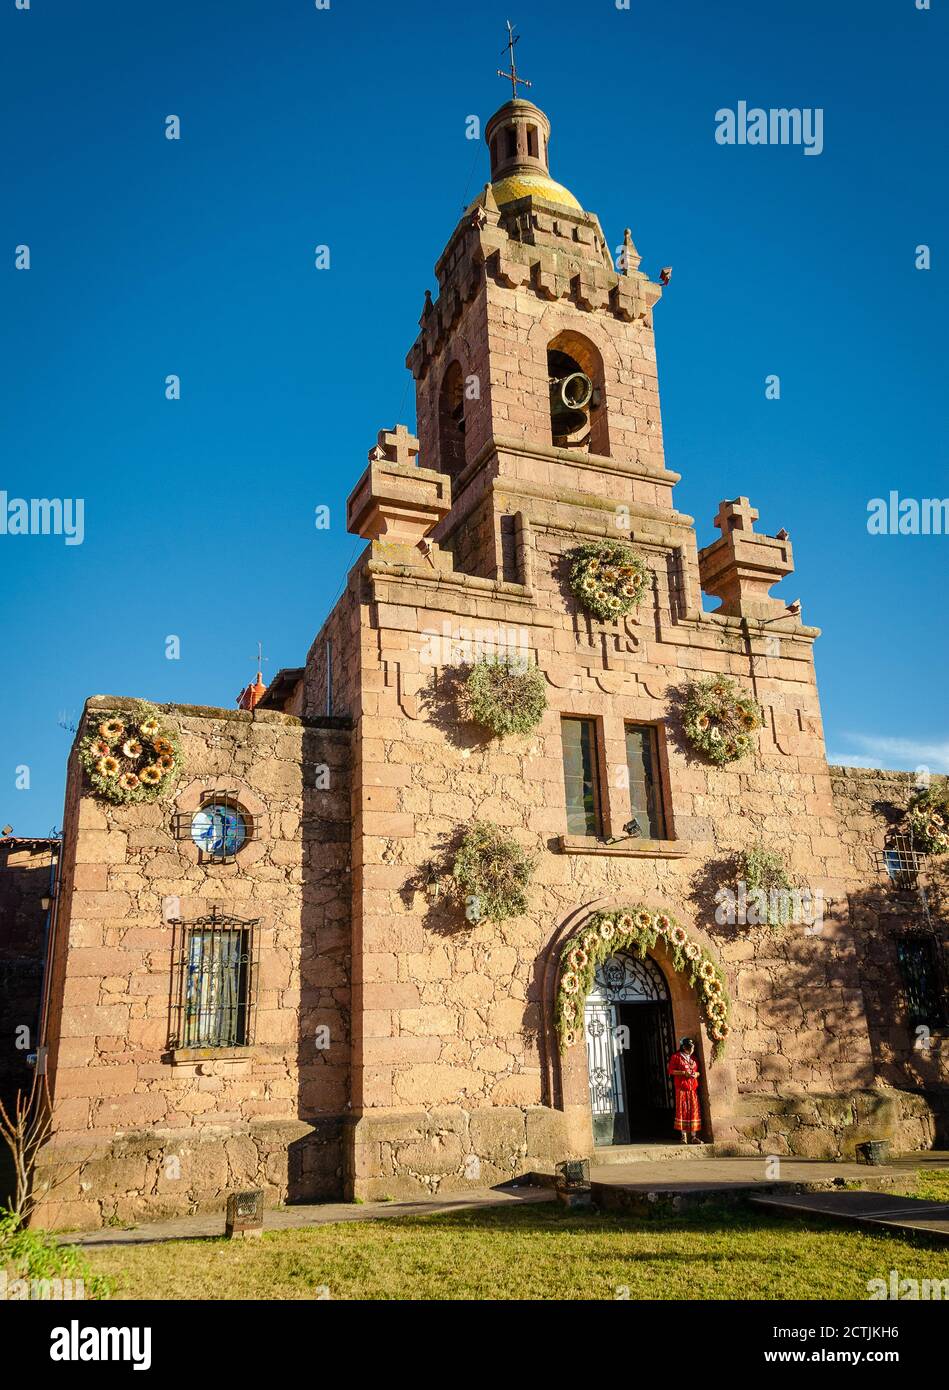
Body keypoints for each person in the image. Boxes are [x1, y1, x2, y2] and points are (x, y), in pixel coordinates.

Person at [667, 1037, 702, 1143]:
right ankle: (683, 1136)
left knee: (694, 1111)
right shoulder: (676, 1057)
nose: (692, 1049)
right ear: (684, 1047)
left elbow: (698, 1071)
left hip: (692, 1089)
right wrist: (683, 1073)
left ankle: (694, 1136)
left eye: (693, 1047)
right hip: (682, 1088)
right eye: (690, 1047)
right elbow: (671, 1071)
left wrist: (696, 1074)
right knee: (683, 1111)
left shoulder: (694, 1059)